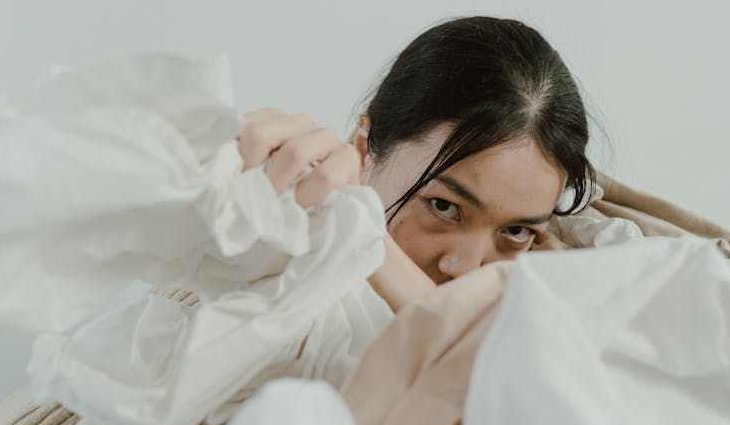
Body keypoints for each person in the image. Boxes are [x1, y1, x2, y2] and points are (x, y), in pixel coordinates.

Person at [235, 16, 598, 311]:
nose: (466, 269)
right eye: (444, 207)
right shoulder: (266, 257)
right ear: (364, 149)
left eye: (517, 232)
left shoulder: (572, 292)